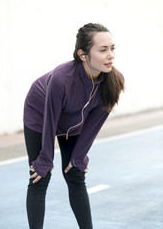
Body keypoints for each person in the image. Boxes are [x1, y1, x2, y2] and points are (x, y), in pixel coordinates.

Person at [23, 23, 125, 229]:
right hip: (40, 114)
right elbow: (50, 120)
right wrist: (45, 158)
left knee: (75, 173)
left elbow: (95, 123)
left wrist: (79, 156)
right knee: (39, 176)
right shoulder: (62, 79)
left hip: (72, 122)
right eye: (103, 50)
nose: (111, 55)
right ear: (83, 54)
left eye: (112, 48)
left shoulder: (114, 81)